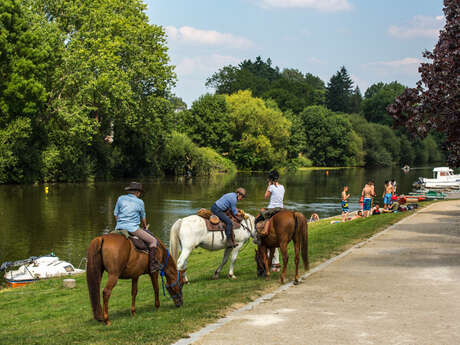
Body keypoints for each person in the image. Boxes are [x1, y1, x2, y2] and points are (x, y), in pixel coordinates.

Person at [114, 182, 162, 272]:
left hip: (119, 226)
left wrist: (120, 224)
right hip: (133, 228)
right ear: (137, 193)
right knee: (153, 241)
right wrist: (145, 227)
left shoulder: (120, 198)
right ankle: (153, 266)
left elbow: (116, 214)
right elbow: (143, 218)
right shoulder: (140, 202)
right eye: (139, 193)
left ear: (129, 191)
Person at [254, 171, 285, 241]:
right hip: (281, 207)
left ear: (271, 179)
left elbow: (266, 196)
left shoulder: (271, 187)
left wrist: (268, 185)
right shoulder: (282, 187)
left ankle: (258, 236)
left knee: (257, 219)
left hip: (272, 208)